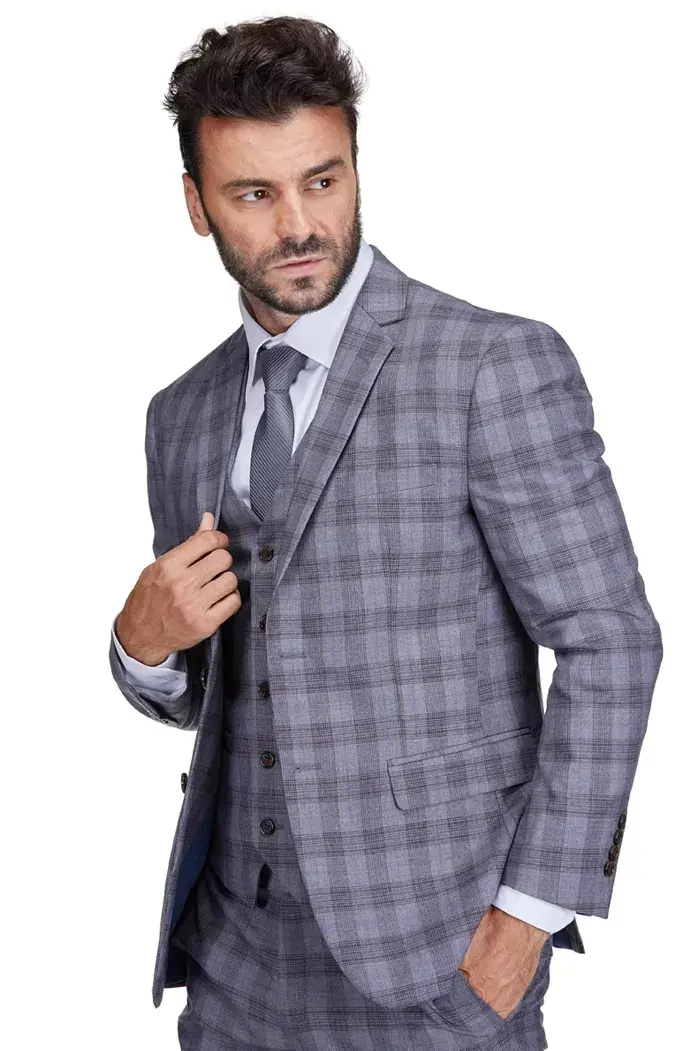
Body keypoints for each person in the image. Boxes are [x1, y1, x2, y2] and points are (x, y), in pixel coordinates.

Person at [108, 15, 663, 1051]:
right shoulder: (179, 415)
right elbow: (226, 692)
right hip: (230, 968)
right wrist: (142, 647)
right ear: (196, 204)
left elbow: (610, 640)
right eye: (253, 194)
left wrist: (525, 921)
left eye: (322, 181)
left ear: (355, 166)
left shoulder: (490, 367)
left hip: (438, 958)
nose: (298, 225)